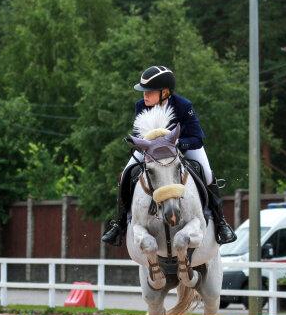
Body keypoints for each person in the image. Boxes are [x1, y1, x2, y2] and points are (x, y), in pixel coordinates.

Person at [101, 65, 237, 246]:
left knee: (206, 172)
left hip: (184, 148)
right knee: (127, 172)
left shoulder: (184, 106)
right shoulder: (140, 106)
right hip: (151, 152)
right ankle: (119, 223)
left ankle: (221, 223)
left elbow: (197, 138)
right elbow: (140, 134)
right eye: (144, 92)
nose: (145, 96)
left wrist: (176, 144)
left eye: (149, 92)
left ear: (164, 92)